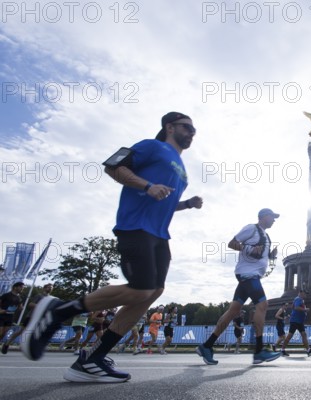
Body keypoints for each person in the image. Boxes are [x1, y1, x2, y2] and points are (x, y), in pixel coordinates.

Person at [21, 111, 203, 383]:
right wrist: (148, 184)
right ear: (169, 126)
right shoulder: (152, 146)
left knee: (152, 292)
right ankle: (57, 310)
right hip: (135, 227)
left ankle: (93, 358)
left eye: (194, 130)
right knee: (141, 289)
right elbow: (112, 166)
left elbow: (164, 200)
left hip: (160, 235)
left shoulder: (181, 168)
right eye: (187, 127)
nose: (192, 132)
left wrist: (187, 204)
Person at [196, 208, 281, 365]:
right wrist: (248, 249)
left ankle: (206, 346)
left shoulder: (266, 235)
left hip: (250, 275)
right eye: (272, 217)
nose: (274, 220)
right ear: (263, 216)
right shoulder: (251, 228)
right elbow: (232, 243)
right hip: (248, 274)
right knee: (263, 305)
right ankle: (259, 351)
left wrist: (271, 255)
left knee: (232, 312)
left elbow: (260, 254)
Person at [3, 282, 53, 353]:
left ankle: (30, 346)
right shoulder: (39, 296)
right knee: (21, 331)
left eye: (51, 287)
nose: (50, 288)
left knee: (38, 332)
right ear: (44, 288)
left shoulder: (50, 298)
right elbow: (31, 304)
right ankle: (7, 343)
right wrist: (41, 306)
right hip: (32, 316)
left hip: (41, 318)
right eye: (48, 287)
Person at [280, 289, 311, 357]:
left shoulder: (299, 300)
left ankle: (308, 350)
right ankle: (282, 350)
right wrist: (305, 309)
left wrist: (303, 311)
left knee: (304, 334)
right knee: (289, 336)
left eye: (306, 294)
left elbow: (293, 307)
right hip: (295, 321)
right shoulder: (298, 299)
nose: (306, 295)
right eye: (305, 293)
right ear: (300, 293)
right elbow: (296, 307)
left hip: (299, 321)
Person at [0, 282, 25, 353]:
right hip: (2, 316)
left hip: (10, 316)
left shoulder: (19, 297)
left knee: (4, 333)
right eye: (21, 287)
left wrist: (21, 307)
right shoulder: (6, 295)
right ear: (15, 287)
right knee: (0, 332)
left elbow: (20, 306)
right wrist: (1, 310)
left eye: (23, 287)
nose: (22, 289)